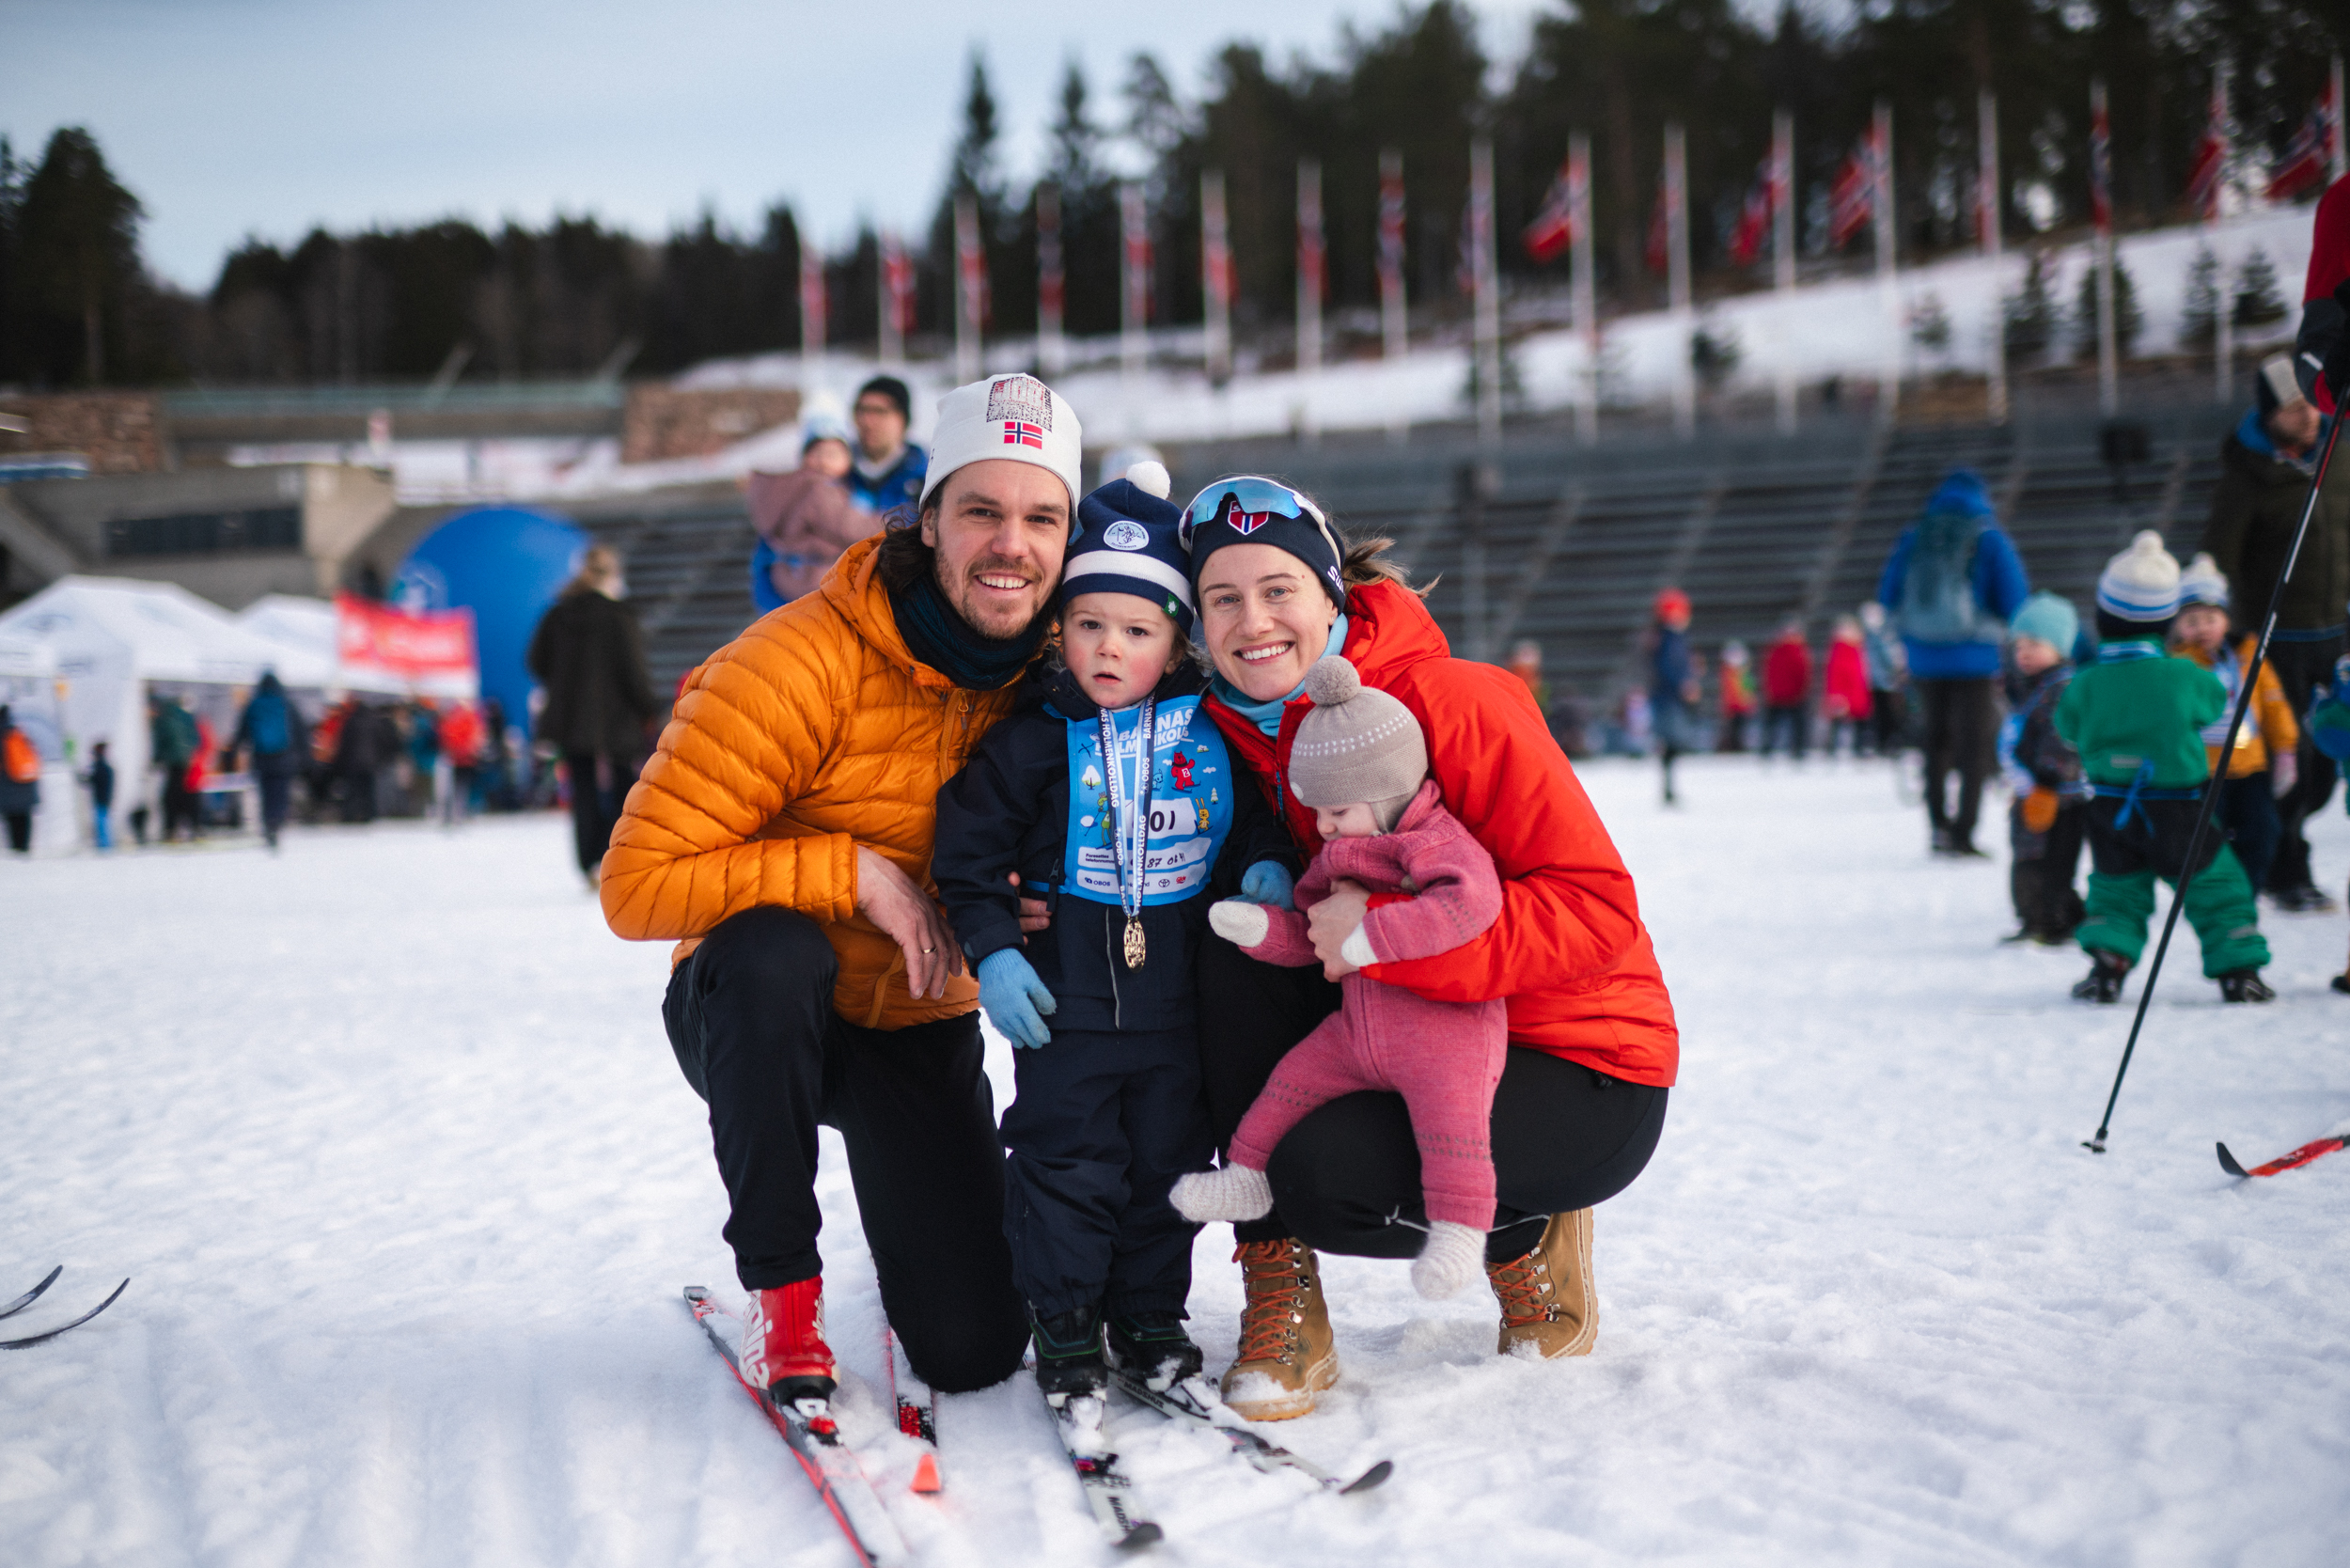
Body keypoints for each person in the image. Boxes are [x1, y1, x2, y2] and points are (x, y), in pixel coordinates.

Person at [600, 373, 1083, 1410]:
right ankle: (783, 1295)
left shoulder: (1069, 678)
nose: (1011, 544)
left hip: (913, 1017)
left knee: (973, 1349)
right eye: (982, 511)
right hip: (758, 1013)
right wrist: (852, 872)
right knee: (776, 950)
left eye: (1042, 517)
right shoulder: (794, 662)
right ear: (928, 519)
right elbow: (634, 886)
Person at [1174, 474, 1677, 1420]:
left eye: (1279, 589)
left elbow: (1594, 908)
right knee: (1232, 949)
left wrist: (1382, 943)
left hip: (1576, 1058)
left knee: (1326, 1179)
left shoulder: (1457, 701)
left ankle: (1527, 1234)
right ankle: (1280, 1291)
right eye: (1223, 598)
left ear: (1333, 594)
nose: (1254, 621)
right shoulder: (1227, 738)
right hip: (1398, 1035)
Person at [931, 462, 1292, 1409]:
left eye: (1136, 631)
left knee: (1165, 1168)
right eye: (1088, 623)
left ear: (1174, 645)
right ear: (1060, 628)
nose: (1107, 647)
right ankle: (1063, 1317)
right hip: (1067, 1009)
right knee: (1066, 1164)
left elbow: (1250, 824)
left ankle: (1147, 1315)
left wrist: (1264, 866)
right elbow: (969, 852)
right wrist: (993, 948)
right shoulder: (1030, 738)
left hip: (1179, 1008)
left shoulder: (1208, 733)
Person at [1177, 655, 1507, 1303]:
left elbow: (1472, 906)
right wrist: (1264, 931)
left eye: (1337, 810)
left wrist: (1374, 934)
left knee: (1454, 1132)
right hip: (1357, 1031)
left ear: (1385, 793)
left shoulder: (1434, 844)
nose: (1324, 827)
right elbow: (1314, 937)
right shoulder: (1339, 853)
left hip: (1445, 1036)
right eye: (1318, 811)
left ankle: (1461, 1229)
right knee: (1286, 1085)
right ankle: (1247, 1175)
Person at [2058, 533, 2272, 1004]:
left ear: (2103, 616)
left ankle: (2108, 965)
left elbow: (2067, 726)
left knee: (2116, 889)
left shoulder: (2086, 683)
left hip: (2111, 806)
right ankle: (2239, 969)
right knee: (2216, 886)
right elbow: (2216, 703)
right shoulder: (2182, 676)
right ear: (2166, 622)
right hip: (2178, 808)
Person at [2199, 354, 2344, 913]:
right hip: (2278, 640)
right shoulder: (2247, 478)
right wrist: (2220, 626)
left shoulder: (2339, 453)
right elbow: (2218, 557)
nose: (2306, 415)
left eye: (2309, 403)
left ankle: (2279, 844)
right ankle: (2286, 867)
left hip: (2339, 634)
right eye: (2291, 407)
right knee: (2292, 759)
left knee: (2329, 762)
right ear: (2268, 415)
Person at [1878, 470, 2031, 857]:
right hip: (1974, 654)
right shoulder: (1987, 535)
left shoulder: (1916, 534)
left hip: (1923, 654)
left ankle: (1937, 826)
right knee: (1973, 744)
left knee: (1934, 741)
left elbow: (1888, 592)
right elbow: (2014, 597)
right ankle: (1964, 830)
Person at [528, 544, 659, 886]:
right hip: (617, 719)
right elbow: (633, 672)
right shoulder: (618, 616)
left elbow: (535, 661)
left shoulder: (558, 615)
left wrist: (564, 684)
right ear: (613, 575)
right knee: (623, 788)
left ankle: (589, 860)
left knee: (583, 788)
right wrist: (648, 707)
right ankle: (615, 855)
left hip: (571, 720)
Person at [2170, 553, 2298, 897]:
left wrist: (2285, 749)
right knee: (2207, 838)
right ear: (2178, 627)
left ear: (2226, 620)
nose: (2202, 629)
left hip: (2251, 767)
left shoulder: (2248, 655)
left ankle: (2247, 890)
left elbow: (2273, 703)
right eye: (2191, 621)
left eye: (2210, 619)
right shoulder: (2179, 665)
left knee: (2262, 831)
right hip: (2204, 771)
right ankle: (2213, 894)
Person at [1999, 593, 2088, 945]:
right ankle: (2040, 916)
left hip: (2058, 796)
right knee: (2028, 856)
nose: (2024, 652)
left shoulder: (2061, 688)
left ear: (2059, 647)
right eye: (2019, 645)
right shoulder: (2032, 686)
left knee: (2049, 861)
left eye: (2034, 644)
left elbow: (2062, 737)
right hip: (2033, 791)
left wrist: (2048, 779)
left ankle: (2054, 919)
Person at [749, 418, 870, 615]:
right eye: (818, 453)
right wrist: (892, 522)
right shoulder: (819, 490)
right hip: (817, 577)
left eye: (833, 454)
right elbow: (849, 525)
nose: (824, 461)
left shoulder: (792, 489)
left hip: (790, 577)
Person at [232, 671, 309, 851]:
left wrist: (235, 750)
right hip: (283, 758)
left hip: (261, 758)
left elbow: (242, 731)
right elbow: (300, 731)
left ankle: (268, 824)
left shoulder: (253, 704)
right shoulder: (286, 703)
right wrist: (305, 756)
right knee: (280, 793)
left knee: (266, 794)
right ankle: (276, 822)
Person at [848, 375, 929, 517]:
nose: (867, 422)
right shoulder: (836, 472)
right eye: (862, 411)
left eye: (880, 411)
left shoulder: (926, 481)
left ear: (903, 419)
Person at [1650, 588, 1698, 804]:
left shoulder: (1670, 638)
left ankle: (1669, 786)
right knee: (1673, 742)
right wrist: (1683, 684)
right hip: (1669, 699)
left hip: (1669, 699)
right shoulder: (1669, 638)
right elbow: (1667, 667)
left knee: (1672, 743)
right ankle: (1668, 787)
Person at [149, 692, 201, 841]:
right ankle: (196, 827)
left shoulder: (162, 720)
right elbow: (195, 738)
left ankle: (170, 830)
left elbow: (159, 743)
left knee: (170, 798)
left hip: (173, 764)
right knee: (189, 795)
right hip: (188, 763)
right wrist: (190, 753)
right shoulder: (186, 716)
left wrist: (156, 760)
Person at [1759, 618, 1812, 760]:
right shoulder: (1796, 650)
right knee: (1787, 724)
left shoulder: (1777, 649)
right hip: (1788, 694)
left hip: (1784, 693)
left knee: (1779, 724)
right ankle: (1793, 749)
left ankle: (1775, 748)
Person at [1858, 601, 1907, 757]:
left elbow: (1889, 657)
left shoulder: (1880, 635)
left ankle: (1889, 742)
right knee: (1882, 714)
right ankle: (1885, 742)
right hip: (1876, 681)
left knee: (1886, 714)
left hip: (1883, 682)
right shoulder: (1874, 636)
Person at [1821, 615, 1874, 758]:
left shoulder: (1859, 648)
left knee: (1860, 723)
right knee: (1837, 722)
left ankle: (1860, 748)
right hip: (1843, 693)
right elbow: (1834, 674)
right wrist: (1836, 694)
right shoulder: (1839, 650)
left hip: (1857, 692)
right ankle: (1831, 749)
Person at [437, 698, 485, 825]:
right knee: (459, 787)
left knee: (460, 787)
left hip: (461, 759)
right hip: (461, 759)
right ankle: (457, 813)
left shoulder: (458, 718)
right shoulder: (465, 718)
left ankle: (458, 813)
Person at [1, 704, 39, 854]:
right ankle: (25, 850)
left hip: (7, 790)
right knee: (24, 820)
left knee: (13, 823)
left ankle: (17, 852)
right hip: (26, 787)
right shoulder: (19, 733)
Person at [1716, 640, 1755, 753]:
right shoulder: (1728, 673)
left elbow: (1748, 688)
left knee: (1739, 728)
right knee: (1732, 728)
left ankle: (1737, 746)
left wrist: (1749, 701)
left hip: (1741, 705)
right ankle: (1732, 746)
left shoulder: (1742, 673)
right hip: (1733, 706)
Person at [85, 739, 114, 851]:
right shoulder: (105, 767)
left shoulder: (100, 767)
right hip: (104, 798)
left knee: (102, 823)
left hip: (101, 799)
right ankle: (105, 844)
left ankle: (104, 845)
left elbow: (91, 780)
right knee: (103, 822)